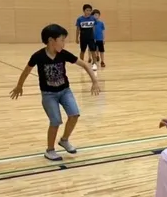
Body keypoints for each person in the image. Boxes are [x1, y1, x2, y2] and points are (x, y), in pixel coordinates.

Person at [10, 24, 100, 161]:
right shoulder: (38, 56)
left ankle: (64, 140)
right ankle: (50, 150)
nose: (64, 43)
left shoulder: (63, 54)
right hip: (48, 94)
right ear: (52, 41)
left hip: (65, 91)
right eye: (62, 40)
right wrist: (19, 86)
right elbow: (26, 71)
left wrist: (95, 81)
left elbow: (85, 64)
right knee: (56, 121)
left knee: (74, 115)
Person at [75, 4, 98, 71]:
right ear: (84, 10)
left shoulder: (93, 18)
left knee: (93, 51)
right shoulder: (80, 19)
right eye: (87, 10)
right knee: (82, 51)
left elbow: (94, 28)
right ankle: (82, 64)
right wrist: (76, 38)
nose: (88, 12)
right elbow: (78, 29)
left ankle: (94, 64)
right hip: (83, 38)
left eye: (90, 10)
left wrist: (95, 36)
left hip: (91, 38)